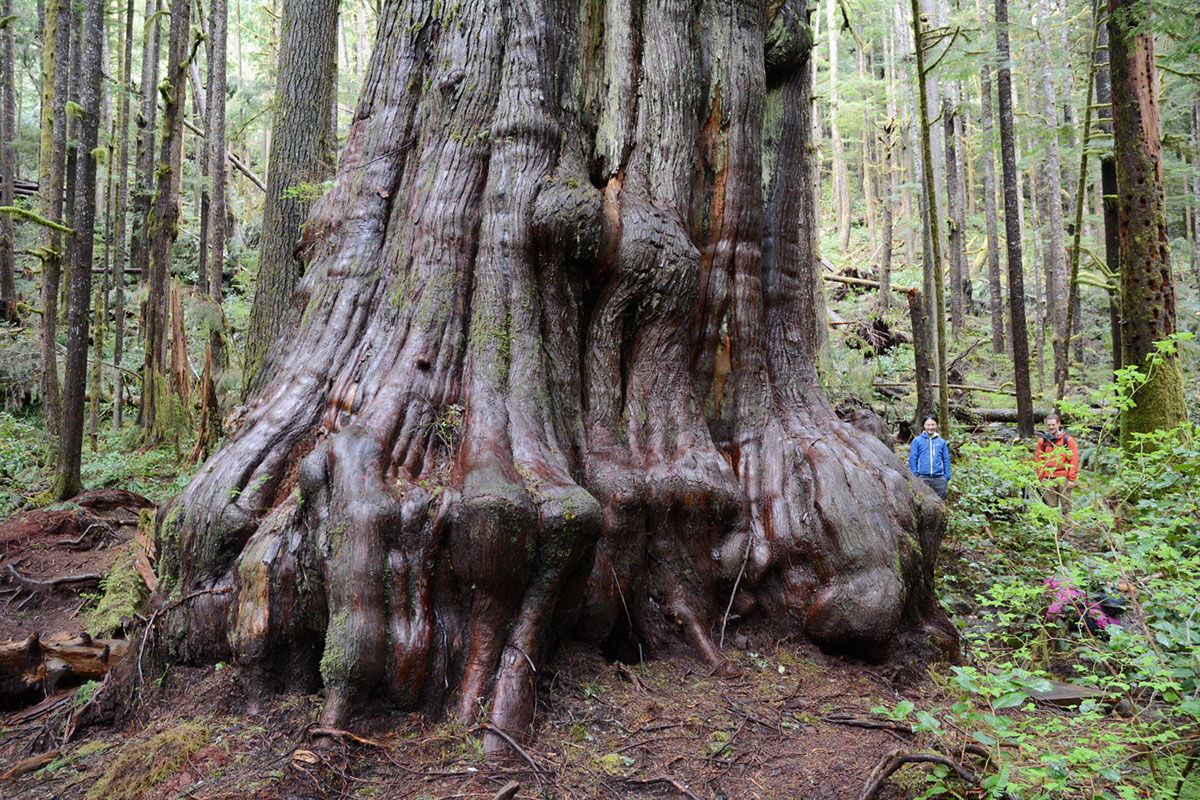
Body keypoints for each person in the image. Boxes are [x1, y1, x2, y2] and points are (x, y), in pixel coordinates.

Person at [1035, 413, 1079, 535]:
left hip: (1063, 477)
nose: (1051, 427)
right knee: (1050, 507)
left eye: (1053, 424)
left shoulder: (1067, 440)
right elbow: (1039, 460)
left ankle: (1067, 533)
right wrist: (1041, 478)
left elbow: (1074, 460)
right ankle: (1053, 533)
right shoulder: (1043, 441)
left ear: (1059, 424)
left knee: (1066, 506)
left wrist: (1072, 479)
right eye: (1049, 425)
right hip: (1048, 478)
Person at [909, 415, 951, 499]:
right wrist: (915, 475)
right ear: (924, 426)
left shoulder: (941, 442)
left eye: (933, 425)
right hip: (922, 477)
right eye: (928, 425)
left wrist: (946, 476)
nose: (930, 427)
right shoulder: (917, 441)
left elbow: (946, 459)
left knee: (940, 503)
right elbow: (913, 459)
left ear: (936, 425)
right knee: (922, 501)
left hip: (939, 478)